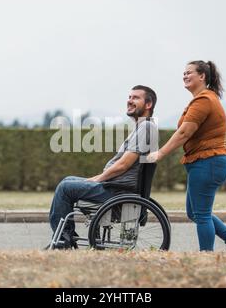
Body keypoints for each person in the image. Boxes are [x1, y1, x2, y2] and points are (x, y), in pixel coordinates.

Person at [147, 60, 226, 252]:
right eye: (183, 73)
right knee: (194, 212)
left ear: (202, 76)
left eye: (189, 73)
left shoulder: (204, 100)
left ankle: (206, 256)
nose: (185, 76)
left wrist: (160, 153)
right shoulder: (204, 98)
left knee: (201, 214)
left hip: (208, 162)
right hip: (206, 162)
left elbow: (184, 132)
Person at [48, 85, 158, 249]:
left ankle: (64, 240)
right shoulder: (142, 127)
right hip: (116, 188)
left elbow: (123, 164)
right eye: (129, 97)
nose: (129, 100)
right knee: (68, 180)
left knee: (65, 187)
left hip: (117, 191)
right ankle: (67, 236)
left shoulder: (146, 127)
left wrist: (98, 179)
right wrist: (97, 179)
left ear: (148, 105)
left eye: (135, 98)